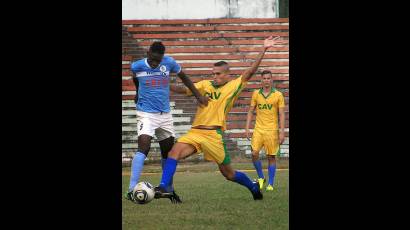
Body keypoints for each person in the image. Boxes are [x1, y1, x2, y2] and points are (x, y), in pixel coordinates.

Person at [155, 36, 284, 202]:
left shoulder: (232, 86)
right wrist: (162, 83)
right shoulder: (204, 84)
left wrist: (264, 49)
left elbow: (250, 72)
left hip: (214, 135)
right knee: (173, 152)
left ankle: (252, 186)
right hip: (195, 132)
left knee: (229, 174)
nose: (214, 76)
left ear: (226, 75)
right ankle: (164, 186)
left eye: (217, 74)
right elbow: (182, 90)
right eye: (213, 73)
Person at [125, 41, 209, 203]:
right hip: (146, 114)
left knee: (168, 153)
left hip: (165, 115)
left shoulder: (169, 63)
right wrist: (137, 93)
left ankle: (168, 189)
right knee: (144, 146)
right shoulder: (137, 66)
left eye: (159, 60)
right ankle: (131, 189)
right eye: (153, 60)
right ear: (148, 53)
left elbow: (184, 77)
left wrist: (198, 95)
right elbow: (135, 78)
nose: (156, 63)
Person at [245, 70, 286, 191]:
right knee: (254, 153)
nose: (266, 80)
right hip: (258, 129)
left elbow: (282, 114)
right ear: (261, 80)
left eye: (268, 78)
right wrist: (247, 128)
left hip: (272, 131)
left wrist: (282, 132)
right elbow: (250, 111)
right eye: (264, 78)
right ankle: (261, 177)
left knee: (271, 157)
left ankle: (271, 184)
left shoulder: (278, 95)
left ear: (271, 80)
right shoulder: (256, 93)